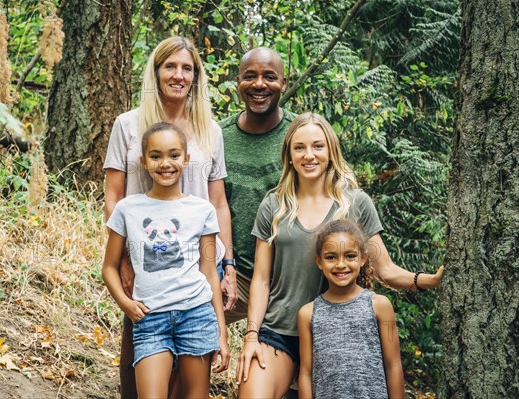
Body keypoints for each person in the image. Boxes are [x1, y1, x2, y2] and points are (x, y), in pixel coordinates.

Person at [236, 113, 444, 398]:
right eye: (300, 148)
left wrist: (429, 280)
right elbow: (260, 279)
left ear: (331, 151)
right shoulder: (274, 205)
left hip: (338, 333)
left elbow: (385, 269)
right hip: (280, 331)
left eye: (317, 146)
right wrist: (251, 336)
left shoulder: (356, 203)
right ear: (289, 154)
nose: (309, 155)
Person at [103, 36, 235, 398]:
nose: (178, 75)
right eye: (170, 66)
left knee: (192, 369)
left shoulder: (211, 131)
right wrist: (127, 257)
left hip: (200, 259)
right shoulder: (127, 125)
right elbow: (113, 197)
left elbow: (218, 202)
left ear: (196, 75)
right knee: (141, 357)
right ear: (156, 71)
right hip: (146, 263)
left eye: (187, 68)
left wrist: (229, 263)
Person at [221, 47, 296, 323]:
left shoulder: (299, 135)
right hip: (233, 274)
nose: (259, 84)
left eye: (270, 76)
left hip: (286, 279)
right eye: (250, 76)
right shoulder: (219, 137)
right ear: (238, 82)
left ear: (284, 83)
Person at [298, 219, 404, 399]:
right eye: (331, 257)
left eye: (350, 256)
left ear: (363, 258)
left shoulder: (380, 306)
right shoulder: (308, 314)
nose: (341, 264)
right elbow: (306, 373)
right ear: (319, 261)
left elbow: (393, 365)